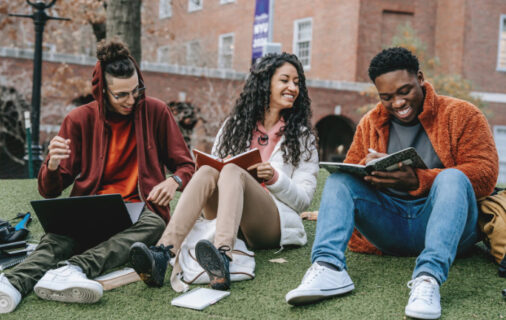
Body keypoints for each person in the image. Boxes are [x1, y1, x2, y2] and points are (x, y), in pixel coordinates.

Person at [0, 40, 195, 313]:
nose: (132, 100)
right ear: (102, 91)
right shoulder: (78, 119)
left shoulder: (156, 111)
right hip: (92, 206)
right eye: (121, 95)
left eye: (137, 90)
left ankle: (74, 269)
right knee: (57, 237)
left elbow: (186, 166)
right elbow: (49, 191)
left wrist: (174, 181)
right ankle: (10, 286)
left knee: (156, 225)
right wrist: (52, 166)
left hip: (139, 208)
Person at [286, 47, 499, 319]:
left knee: (453, 177)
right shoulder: (370, 122)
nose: (397, 103)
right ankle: (328, 268)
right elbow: (352, 173)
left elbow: (485, 174)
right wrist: (370, 174)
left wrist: (419, 180)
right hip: (391, 228)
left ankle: (427, 279)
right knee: (341, 178)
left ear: (420, 78)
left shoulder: (462, 114)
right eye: (386, 97)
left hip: (450, 230)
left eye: (404, 91)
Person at [129, 52, 319, 291]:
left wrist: (274, 177)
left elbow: (302, 200)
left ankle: (222, 257)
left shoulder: (302, 136)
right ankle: (162, 253)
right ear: (265, 84)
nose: (292, 87)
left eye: (296, 82)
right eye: (285, 80)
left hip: (270, 224)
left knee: (232, 172)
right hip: (226, 216)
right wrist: (223, 164)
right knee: (210, 170)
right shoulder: (234, 126)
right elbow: (216, 172)